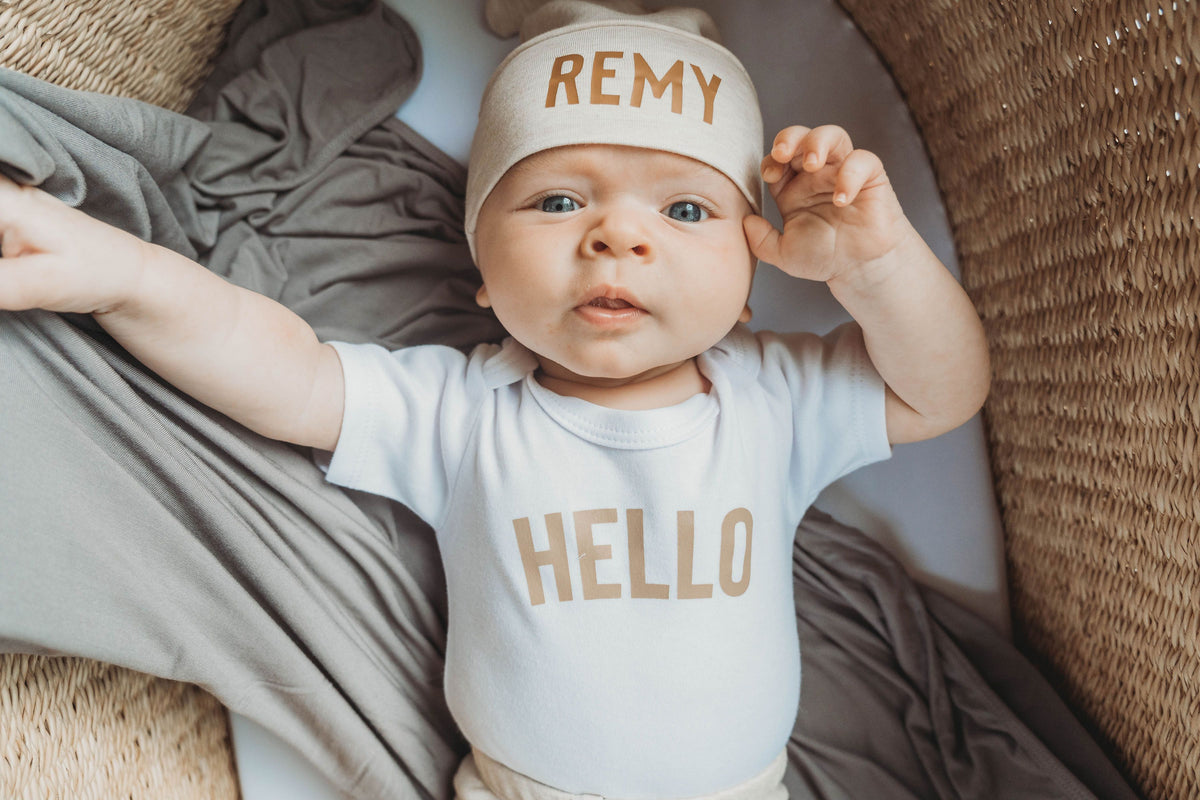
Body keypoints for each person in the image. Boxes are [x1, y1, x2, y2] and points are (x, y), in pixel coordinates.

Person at [0, 0, 989, 797]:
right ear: (481, 273)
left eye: (684, 209)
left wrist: (878, 264)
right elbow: (279, 364)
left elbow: (943, 389)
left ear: (746, 279)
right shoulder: (462, 411)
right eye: (559, 199)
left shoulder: (777, 396)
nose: (618, 236)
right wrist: (125, 274)